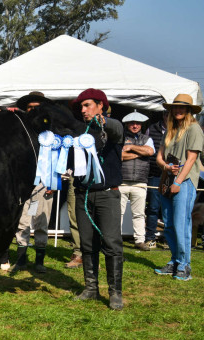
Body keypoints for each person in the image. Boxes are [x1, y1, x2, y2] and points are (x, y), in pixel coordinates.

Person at [72, 88, 125, 310]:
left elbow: (115, 128)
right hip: (82, 194)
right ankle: (91, 289)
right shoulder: (78, 131)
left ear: (101, 105)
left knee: (112, 244)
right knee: (87, 244)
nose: (84, 110)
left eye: (88, 105)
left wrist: (102, 121)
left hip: (107, 195)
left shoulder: (112, 127)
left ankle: (115, 293)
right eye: (81, 107)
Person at [154, 94, 203, 281]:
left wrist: (178, 182)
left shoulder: (194, 129)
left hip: (185, 182)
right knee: (169, 224)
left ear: (189, 110)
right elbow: (159, 156)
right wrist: (166, 167)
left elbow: (191, 159)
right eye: (175, 107)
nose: (178, 110)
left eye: (182, 107)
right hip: (167, 181)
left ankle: (184, 265)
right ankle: (175, 261)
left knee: (182, 224)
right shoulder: (170, 130)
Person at [10, 92, 55, 273]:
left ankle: (39, 261)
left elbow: (58, 157)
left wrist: (52, 181)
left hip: (44, 184)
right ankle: (21, 260)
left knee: (41, 222)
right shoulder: (18, 130)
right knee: (23, 221)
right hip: (23, 184)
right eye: (30, 108)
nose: (33, 111)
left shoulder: (52, 131)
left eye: (37, 107)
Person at [119, 111, 154, 251]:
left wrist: (131, 148)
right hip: (122, 181)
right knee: (117, 213)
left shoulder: (147, 138)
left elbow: (150, 152)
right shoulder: (121, 137)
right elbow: (119, 156)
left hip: (140, 181)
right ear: (127, 124)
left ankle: (140, 240)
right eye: (132, 123)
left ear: (141, 125)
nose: (135, 126)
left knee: (139, 213)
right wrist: (139, 153)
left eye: (137, 123)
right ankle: (116, 239)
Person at [145, 110, 167, 248]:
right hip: (154, 173)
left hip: (172, 175)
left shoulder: (180, 130)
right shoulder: (151, 129)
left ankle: (167, 238)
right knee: (153, 207)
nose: (168, 116)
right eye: (166, 114)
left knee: (168, 208)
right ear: (163, 115)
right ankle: (150, 237)